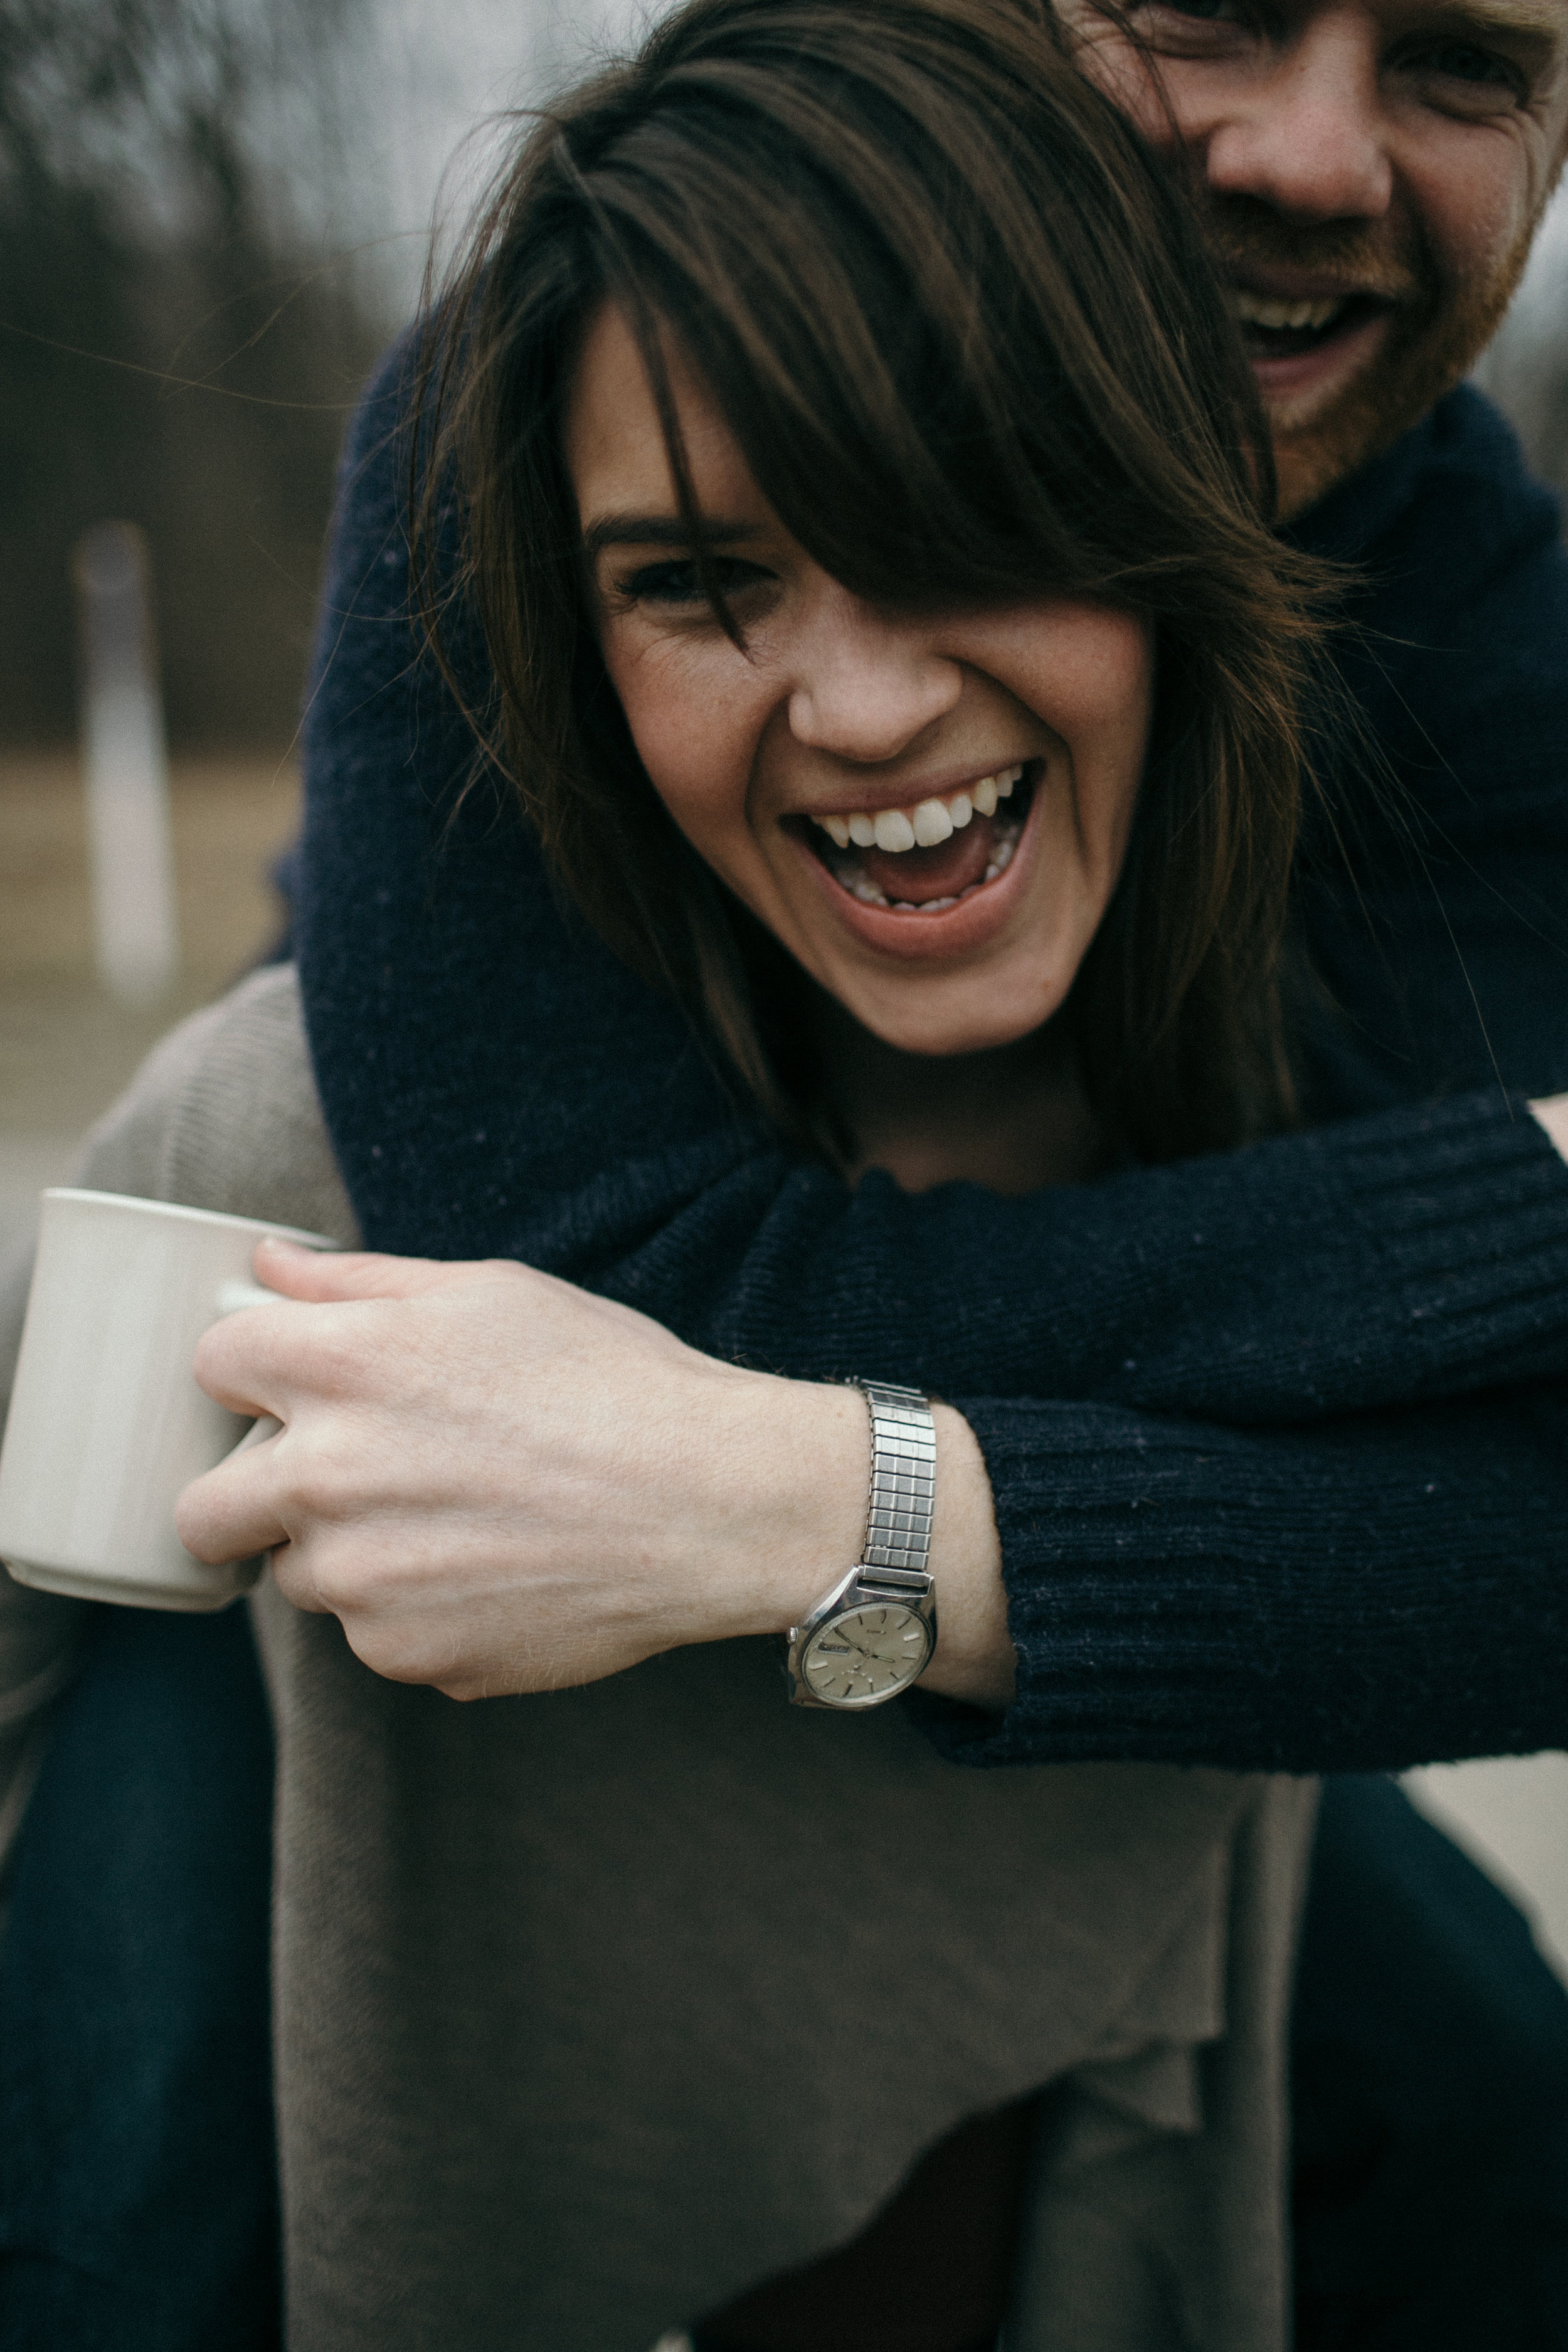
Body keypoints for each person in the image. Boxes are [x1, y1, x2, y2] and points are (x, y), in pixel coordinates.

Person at [4, 0, 1568, 2343]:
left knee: (1473, 2127)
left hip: (1084, 1645)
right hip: (450, 1507)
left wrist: (832, 1503)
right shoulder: (560, 373)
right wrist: (1515, 1217)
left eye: (1463, 59)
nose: (1321, 155)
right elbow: (619, 1254)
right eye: (1213, 13)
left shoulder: (1459, 602)